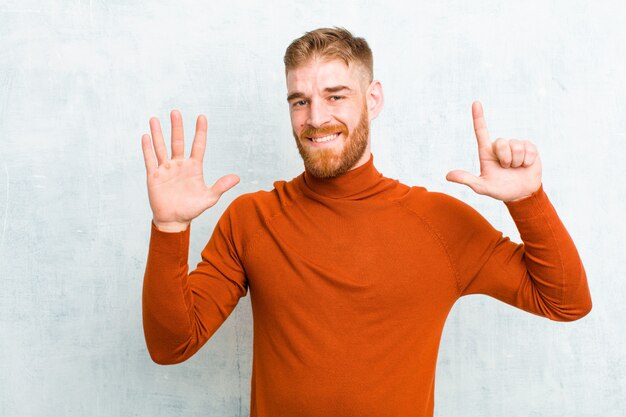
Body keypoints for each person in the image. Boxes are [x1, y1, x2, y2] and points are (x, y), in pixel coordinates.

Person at [140, 27, 592, 417]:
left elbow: (565, 301)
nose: (316, 119)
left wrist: (529, 200)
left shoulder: (440, 223)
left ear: (372, 99)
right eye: (300, 101)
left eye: (336, 96)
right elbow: (172, 345)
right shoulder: (252, 218)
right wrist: (169, 228)